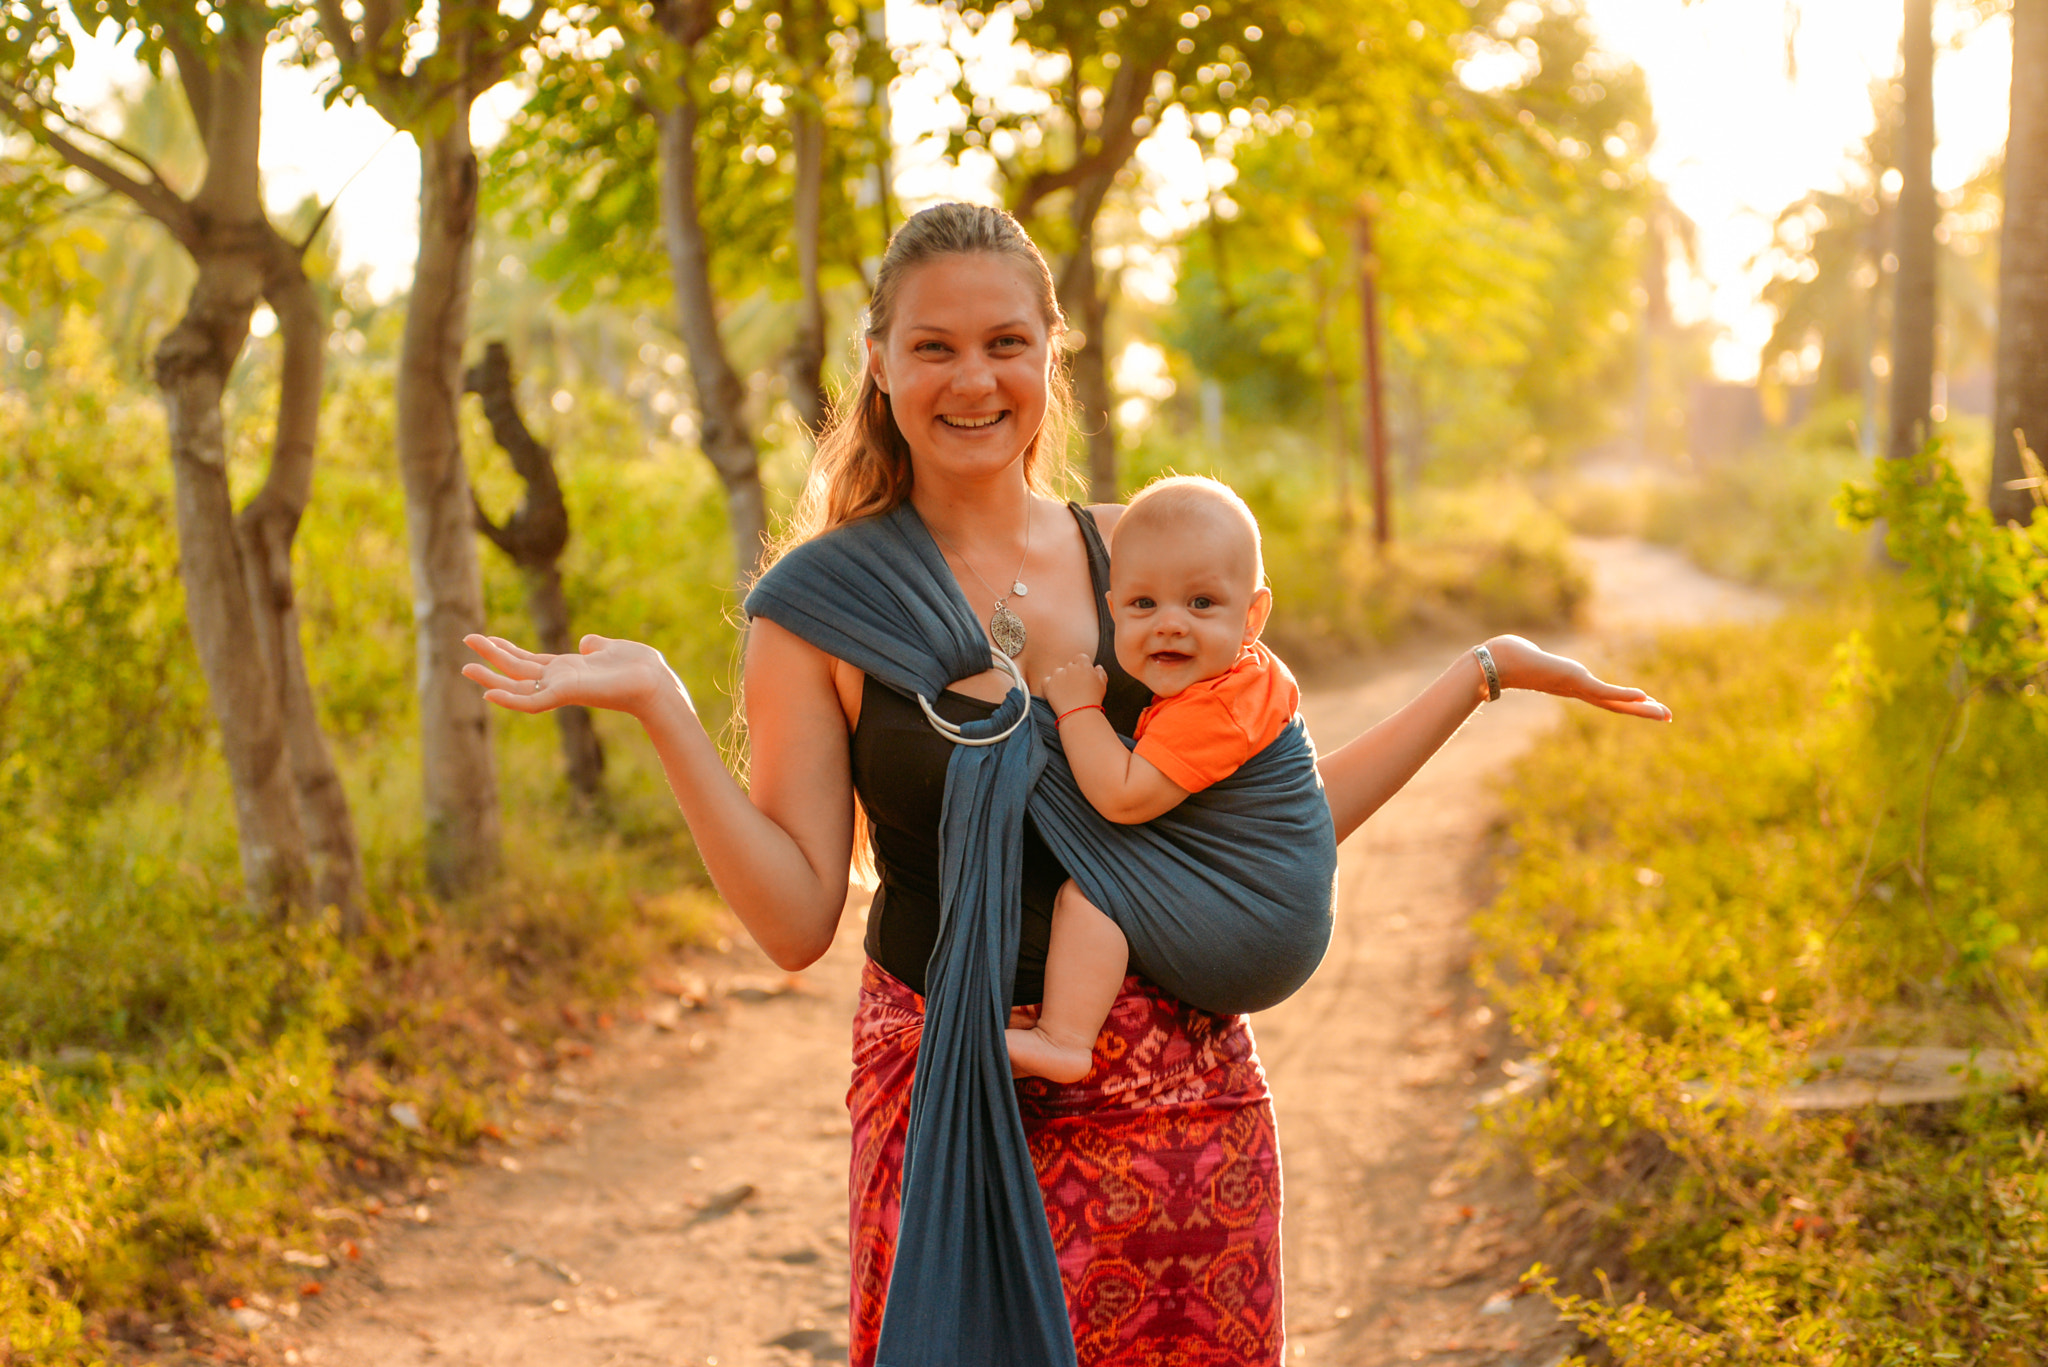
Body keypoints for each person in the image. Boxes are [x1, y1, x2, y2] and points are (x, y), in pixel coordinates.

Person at [460, 202, 1670, 1366]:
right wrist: (663, 707)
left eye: (1005, 343)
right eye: (931, 346)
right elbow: (791, 921)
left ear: (1052, 355)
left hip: (1181, 1104)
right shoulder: (823, 609)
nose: (972, 380)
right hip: (952, 1080)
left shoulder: (1144, 564)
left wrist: (1479, 674)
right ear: (876, 361)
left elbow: (1271, 828)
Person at [1012, 473, 1309, 1085]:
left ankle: (1064, 1039)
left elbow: (1123, 796)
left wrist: (1075, 710)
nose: (1170, 624)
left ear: (1252, 615)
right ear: (1114, 608)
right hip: (1263, 916)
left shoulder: (1219, 706)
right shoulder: (1241, 678)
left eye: (1201, 603)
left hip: (1252, 927)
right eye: (1144, 605)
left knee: (1092, 892)